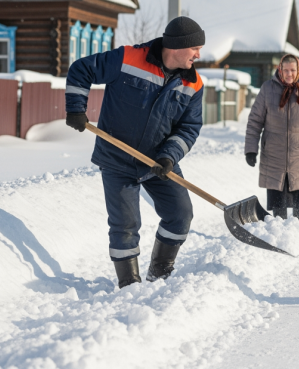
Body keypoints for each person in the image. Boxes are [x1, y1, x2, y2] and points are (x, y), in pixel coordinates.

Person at [64, 17, 205, 289]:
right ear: (177, 47)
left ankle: (159, 273)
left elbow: (189, 128)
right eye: (195, 48)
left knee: (180, 214)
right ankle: (129, 286)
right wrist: (75, 108)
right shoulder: (128, 58)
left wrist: (168, 157)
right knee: (125, 226)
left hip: (158, 162)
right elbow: (81, 69)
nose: (199, 55)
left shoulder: (194, 84)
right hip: (117, 159)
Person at [244, 54, 299, 225]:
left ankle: (298, 239)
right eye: (286, 70)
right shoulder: (267, 89)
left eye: (293, 70)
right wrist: (250, 149)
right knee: (278, 213)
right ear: (280, 70)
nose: (289, 74)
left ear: (298, 69)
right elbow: (255, 121)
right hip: (274, 157)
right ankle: (279, 242)